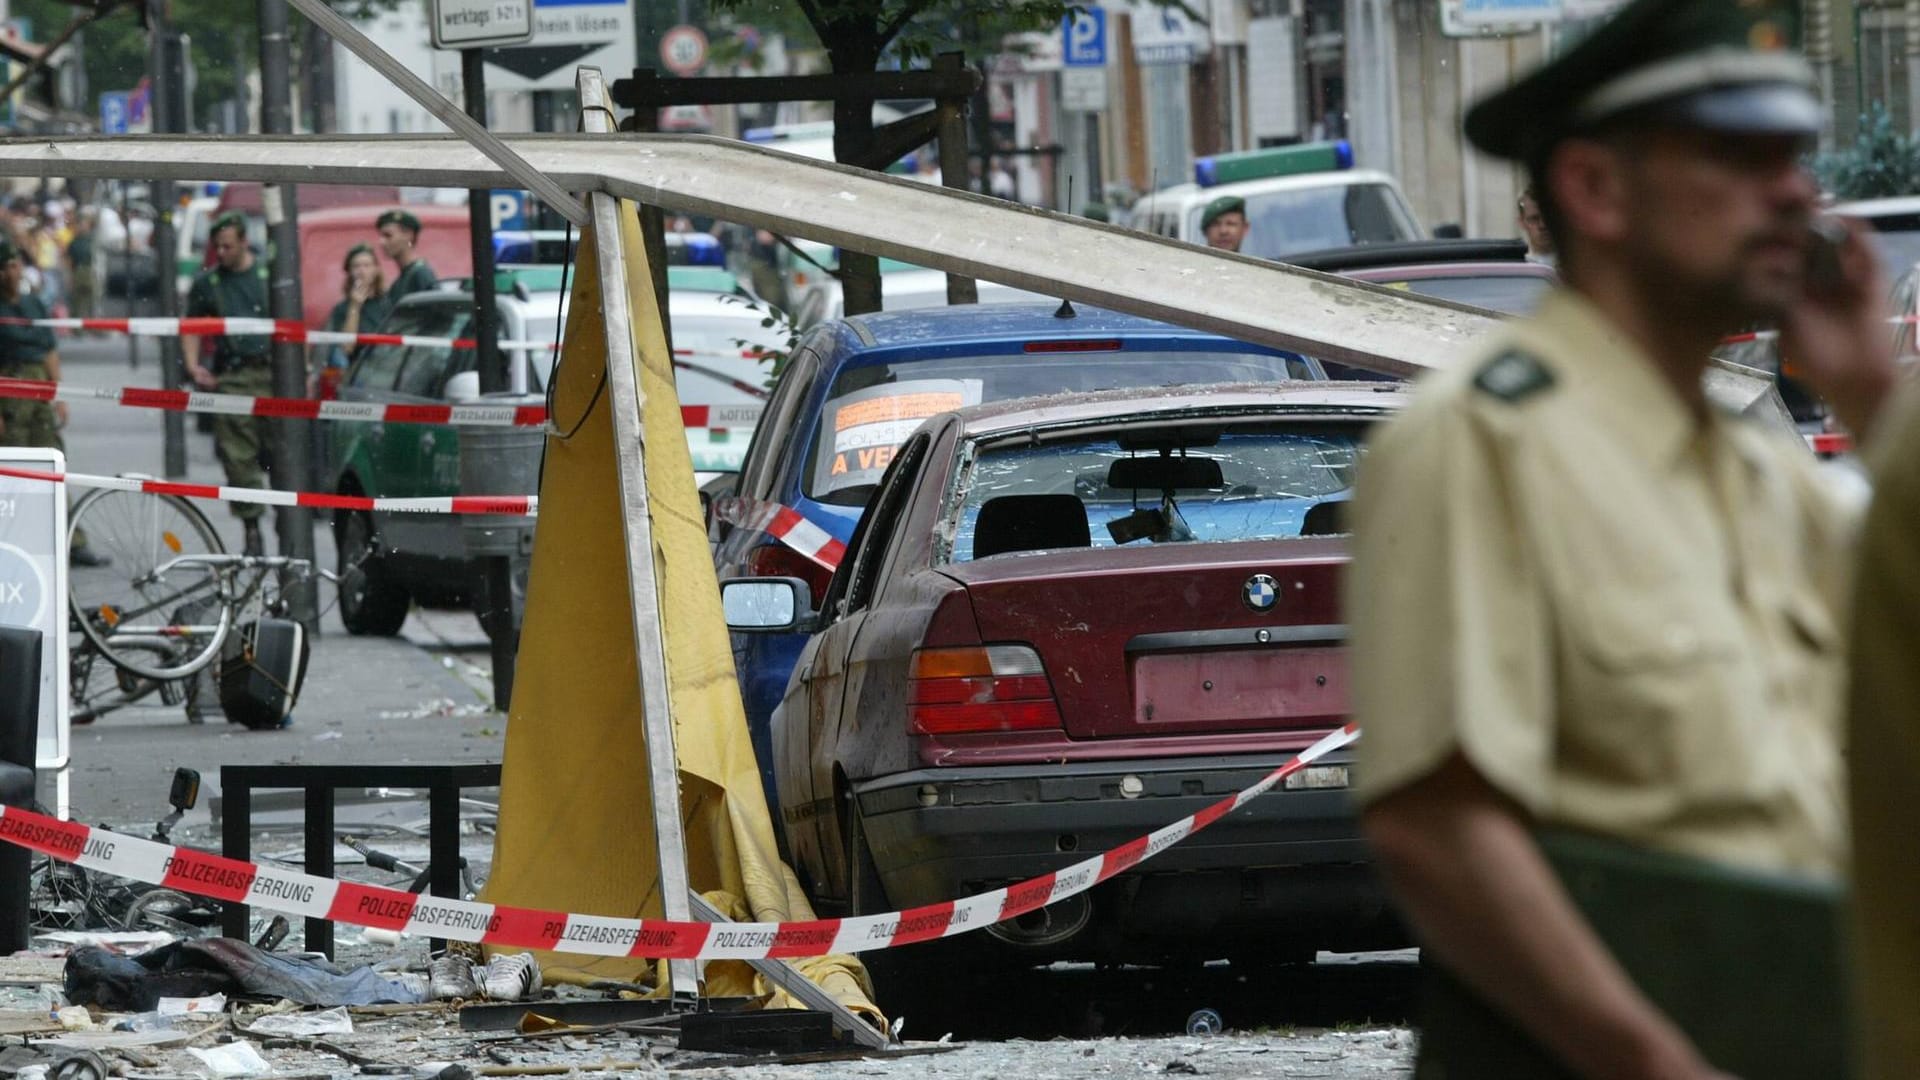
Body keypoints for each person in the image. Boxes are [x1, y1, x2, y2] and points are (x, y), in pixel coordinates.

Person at [1346, 2, 1896, 1078]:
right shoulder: (1484, 441)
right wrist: (1652, 1063)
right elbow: (1441, 825)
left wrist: (1876, 400)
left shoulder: (1759, 468)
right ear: (1596, 191)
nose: (1794, 192)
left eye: (1794, 156)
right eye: (1738, 156)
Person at [0, 238, 106, 566]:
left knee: (52, 464)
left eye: (14, 265)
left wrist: (58, 395)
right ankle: (17, 543)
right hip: (9, 391)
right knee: (15, 474)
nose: (10, 273)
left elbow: (49, 350)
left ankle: (72, 541)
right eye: (4, 267)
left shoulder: (33, 305)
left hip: (37, 390)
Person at [182, 212, 275, 557]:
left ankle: (288, 525)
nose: (221, 252)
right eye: (216, 246)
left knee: (282, 456)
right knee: (238, 459)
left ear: (244, 243)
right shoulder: (210, 284)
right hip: (234, 376)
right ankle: (252, 530)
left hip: (274, 375)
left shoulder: (268, 275)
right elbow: (191, 324)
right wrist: (193, 366)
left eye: (228, 246)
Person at [321, 243, 390, 374]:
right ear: (350, 272)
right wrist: (355, 306)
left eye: (367, 265)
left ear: (376, 269)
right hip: (360, 370)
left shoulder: (388, 301)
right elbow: (346, 348)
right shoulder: (342, 309)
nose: (361, 271)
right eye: (356, 266)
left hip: (386, 367)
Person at [376, 209, 435, 306]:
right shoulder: (400, 281)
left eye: (388, 235)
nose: (381, 242)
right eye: (381, 236)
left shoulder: (421, 274)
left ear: (409, 235)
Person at [67, 209, 97, 324]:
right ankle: (76, 326)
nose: (82, 227)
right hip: (78, 270)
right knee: (77, 300)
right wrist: (70, 276)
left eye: (84, 224)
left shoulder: (92, 240)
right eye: (80, 224)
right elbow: (69, 260)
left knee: (92, 299)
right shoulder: (74, 242)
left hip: (89, 270)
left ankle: (93, 325)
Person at [1518, 185, 1556, 265]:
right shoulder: (1516, 266)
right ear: (1521, 222)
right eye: (1534, 219)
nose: (1543, 225)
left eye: (1548, 217)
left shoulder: (1578, 265)